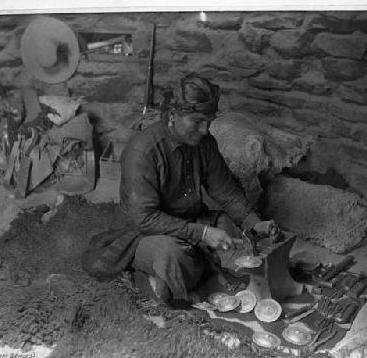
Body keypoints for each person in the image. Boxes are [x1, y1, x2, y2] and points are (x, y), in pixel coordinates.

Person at [82, 73, 278, 303]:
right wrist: (203, 234)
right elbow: (145, 218)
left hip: (192, 219)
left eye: (209, 121)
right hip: (145, 231)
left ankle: (187, 269)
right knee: (172, 256)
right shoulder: (142, 152)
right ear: (173, 115)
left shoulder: (205, 143)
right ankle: (152, 275)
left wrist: (255, 224)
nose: (205, 130)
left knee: (233, 231)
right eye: (197, 121)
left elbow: (226, 192)